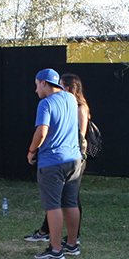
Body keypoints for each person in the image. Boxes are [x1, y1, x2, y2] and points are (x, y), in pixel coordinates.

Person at [26, 73, 92, 245]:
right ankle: (72, 245)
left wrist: (31, 151)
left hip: (52, 161)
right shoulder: (71, 99)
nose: (36, 90)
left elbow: (41, 132)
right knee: (71, 202)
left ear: (43, 83)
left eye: (37, 85)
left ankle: (55, 250)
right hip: (74, 160)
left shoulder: (45, 103)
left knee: (53, 205)